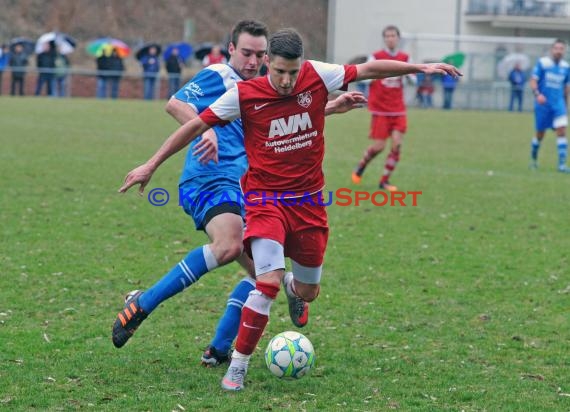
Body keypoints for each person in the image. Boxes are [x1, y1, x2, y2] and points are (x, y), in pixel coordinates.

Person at [116, 27, 460, 391]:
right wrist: (152, 164)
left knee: (296, 285)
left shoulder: (314, 75)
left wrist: (420, 68)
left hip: (307, 203)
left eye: (290, 72)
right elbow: (189, 115)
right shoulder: (234, 88)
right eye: (273, 68)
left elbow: (364, 72)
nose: (284, 80)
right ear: (262, 60)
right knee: (261, 276)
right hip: (257, 197)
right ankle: (233, 366)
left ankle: (242, 328)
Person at [111, 20, 366, 364]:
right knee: (230, 245)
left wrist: (332, 107)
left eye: (259, 54)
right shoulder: (219, 75)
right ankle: (143, 303)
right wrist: (204, 131)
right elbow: (175, 104)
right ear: (231, 50)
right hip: (209, 180)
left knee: (264, 277)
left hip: (251, 186)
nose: (252, 61)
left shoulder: (265, 88)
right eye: (246, 52)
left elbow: (283, 121)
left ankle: (218, 349)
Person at [351, 25, 412, 192]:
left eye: (393, 35)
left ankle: (384, 180)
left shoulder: (405, 58)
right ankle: (362, 165)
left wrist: (410, 78)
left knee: (397, 145)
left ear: (398, 38)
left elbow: (413, 78)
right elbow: (365, 75)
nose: (390, 38)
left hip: (398, 109)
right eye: (387, 36)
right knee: (379, 147)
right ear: (384, 39)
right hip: (380, 109)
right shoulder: (376, 57)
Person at [529, 39, 570, 172]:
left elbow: (566, 87)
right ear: (552, 50)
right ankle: (533, 160)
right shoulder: (543, 63)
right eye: (556, 48)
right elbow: (533, 80)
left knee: (562, 131)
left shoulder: (566, 67)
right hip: (543, 105)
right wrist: (537, 94)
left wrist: (566, 103)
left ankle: (562, 165)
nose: (559, 51)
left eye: (561, 49)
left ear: (564, 51)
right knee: (540, 134)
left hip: (558, 105)